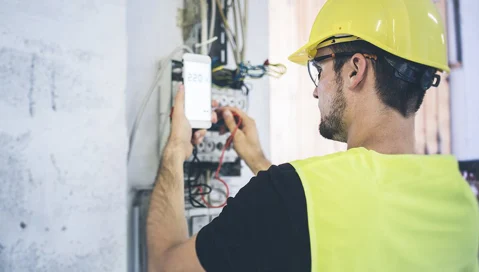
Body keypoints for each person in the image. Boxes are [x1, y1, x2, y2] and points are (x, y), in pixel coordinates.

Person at [146, 0, 479, 271]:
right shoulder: (463, 201)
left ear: (354, 70)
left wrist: (176, 148)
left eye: (319, 70)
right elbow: (337, 219)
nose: (316, 92)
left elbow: (165, 265)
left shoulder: (287, 194)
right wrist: (259, 161)